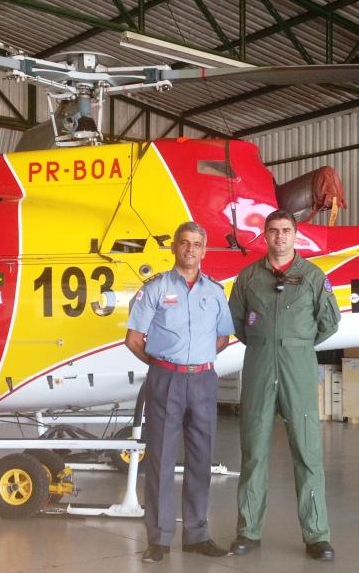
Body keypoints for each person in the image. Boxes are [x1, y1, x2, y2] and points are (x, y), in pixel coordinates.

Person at [227, 209, 341, 562]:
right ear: (265, 235)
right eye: (274, 230)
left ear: (295, 235)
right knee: (254, 451)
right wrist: (267, 343)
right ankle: (248, 530)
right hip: (260, 366)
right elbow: (237, 323)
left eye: (286, 230)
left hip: (298, 368)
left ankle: (317, 535)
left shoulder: (313, 277)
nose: (280, 236)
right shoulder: (248, 278)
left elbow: (329, 322)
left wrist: (296, 343)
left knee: (308, 452)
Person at [125, 221, 234, 563]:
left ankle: (197, 535)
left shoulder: (214, 291)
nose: (190, 249)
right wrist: (162, 364)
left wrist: (196, 360)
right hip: (165, 381)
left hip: (203, 381)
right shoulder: (155, 288)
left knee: (201, 458)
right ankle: (159, 539)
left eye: (197, 244)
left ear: (204, 250)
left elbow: (222, 337)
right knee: (160, 458)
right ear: (173, 247)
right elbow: (134, 339)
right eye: (184, 243)